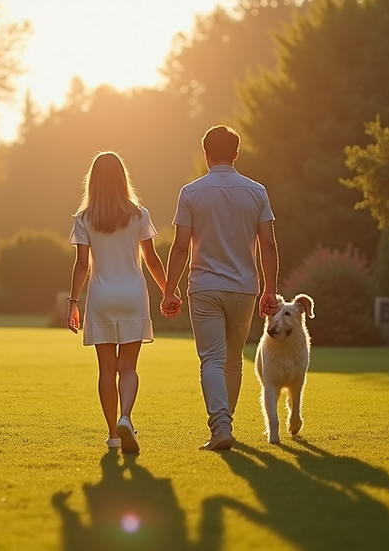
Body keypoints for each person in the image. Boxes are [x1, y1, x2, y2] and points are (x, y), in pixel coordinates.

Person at [161, 125, 280, 451]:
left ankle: (221, 428)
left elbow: (181, 248)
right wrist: (270, 288)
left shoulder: (191, 192)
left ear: (206, 154)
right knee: (233, 360)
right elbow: (268, 244)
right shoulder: (257, 192)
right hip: (244, 287)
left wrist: (169, 291)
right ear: (237, 153)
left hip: (205, 287)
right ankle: (225, 427)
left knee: (211, 359)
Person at [67, 151, 175, 454]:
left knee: (106, 370)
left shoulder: (84, 219)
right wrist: (168, 292)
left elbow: (81, 265)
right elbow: (151, 260)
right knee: (128, 366)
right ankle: (127, 416)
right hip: (133, 296)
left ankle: (113, 434)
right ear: (122, 179)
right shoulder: (139, 214)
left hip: (101, 298)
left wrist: (72, 302)